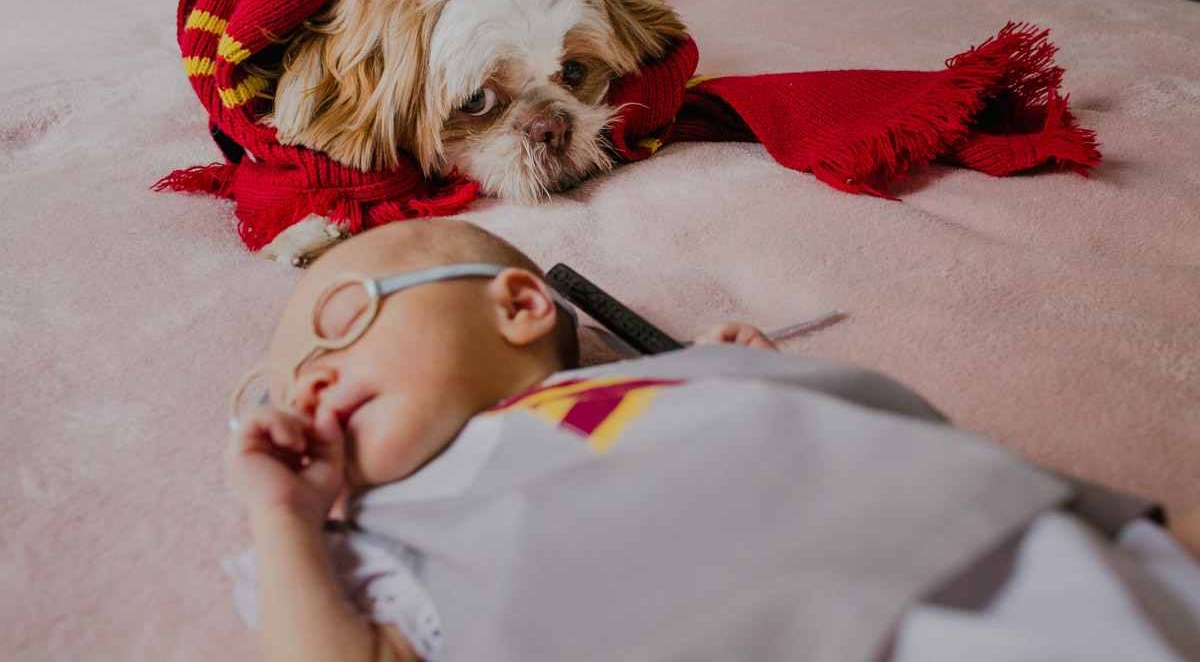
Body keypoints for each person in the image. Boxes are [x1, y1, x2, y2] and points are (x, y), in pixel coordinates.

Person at [223, 219, 1200, 662]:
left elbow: (829, 428)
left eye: (341, 318)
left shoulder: (677, 374)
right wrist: (287, 517)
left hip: (976, 541)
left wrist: (736, 372)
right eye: (282, 383)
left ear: (520, 304)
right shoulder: (384, 539)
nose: (307, 375)